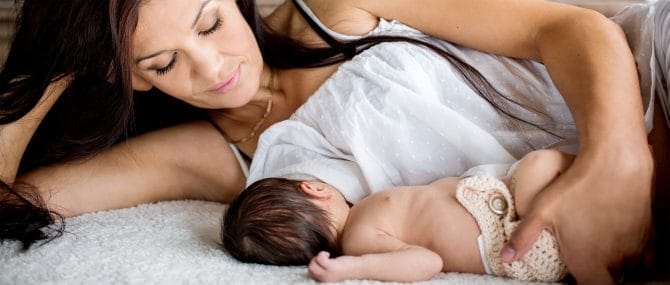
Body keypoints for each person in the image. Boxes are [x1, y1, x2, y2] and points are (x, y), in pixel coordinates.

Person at [0, 0, 666, 283]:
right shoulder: (215, 157)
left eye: (208, 22)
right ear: (128, 78)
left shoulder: (334, 10)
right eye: (162, 64)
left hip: (649, 89)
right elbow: (11, 193)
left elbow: (570, 28)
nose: (210, 70)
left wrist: (618, 160)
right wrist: (54, 66)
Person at [223, 150, 574, 283]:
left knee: (548, 169)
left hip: (499, 199)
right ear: (314, 189)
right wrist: (353, 269)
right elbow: (427, 262)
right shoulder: (359, 240)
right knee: (544, 164)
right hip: (511, 232)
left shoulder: (363, 214)